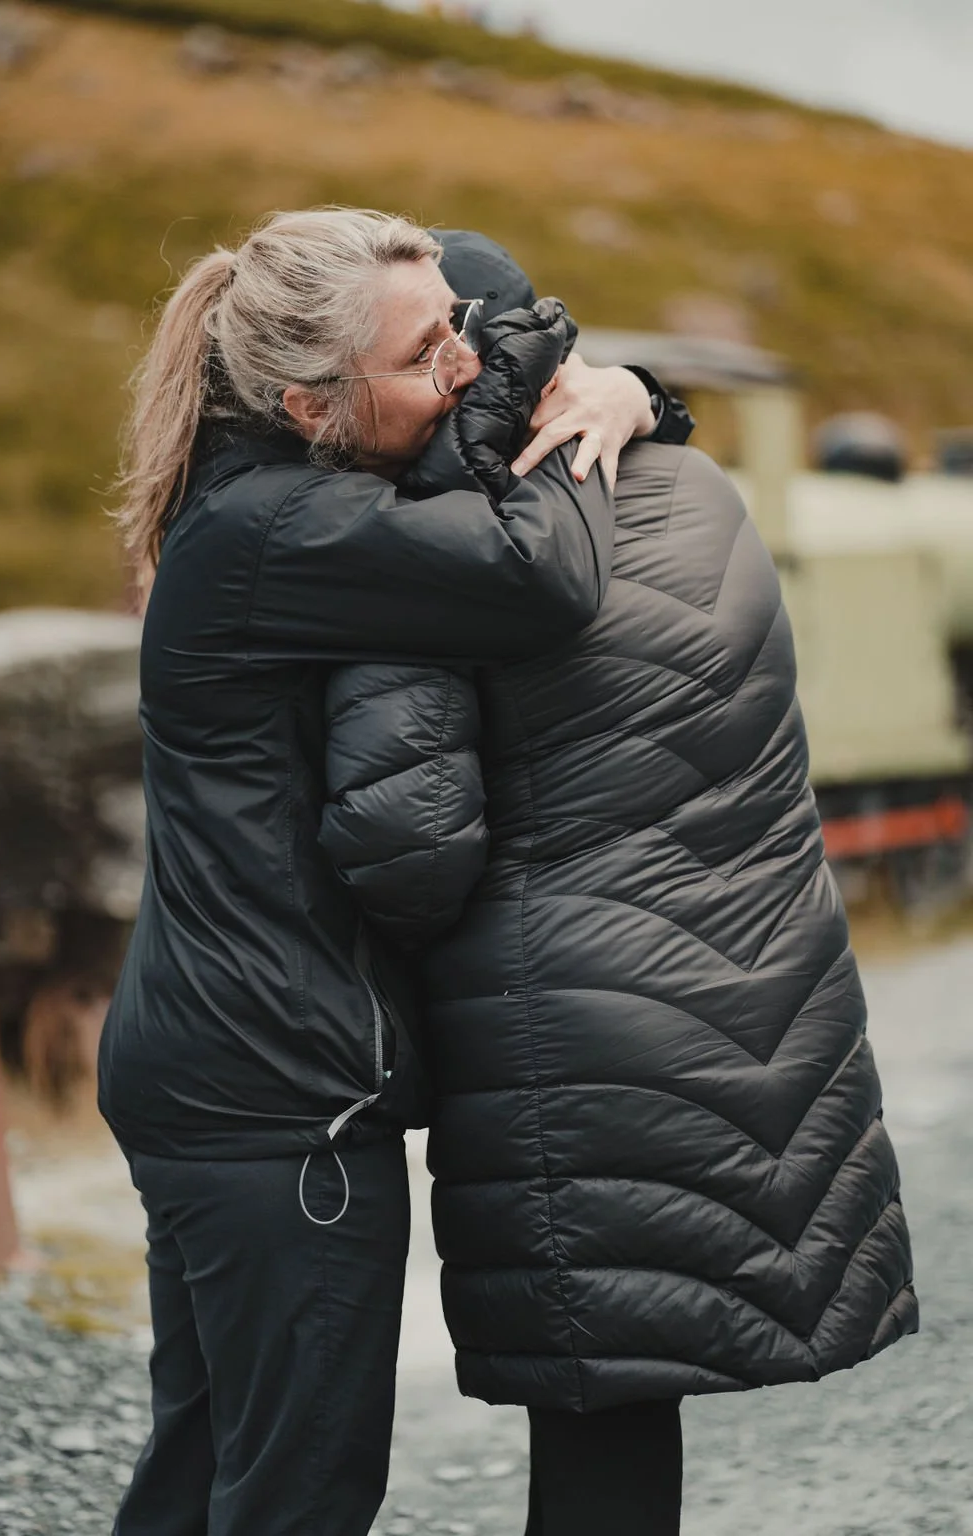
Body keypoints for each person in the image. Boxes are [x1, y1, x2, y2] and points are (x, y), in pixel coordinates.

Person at [98, 206, 682, 1536]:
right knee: (297, 1494)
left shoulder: (264, 503)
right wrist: (578, 410)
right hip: (276, 1093)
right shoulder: (278, 531)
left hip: (220, 1070)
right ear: (311, 402)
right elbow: (539, 577)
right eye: (432, 356)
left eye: (462, 337)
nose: (468, 368)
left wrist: (633, 389)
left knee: (206, 1474)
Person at [320, 252, 918, 1533]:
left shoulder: (441, 544)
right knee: (635, 1408)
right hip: (754, 999)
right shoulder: (694, 485)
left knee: (595, 1421)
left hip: (568, 1034)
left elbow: (405, 849)